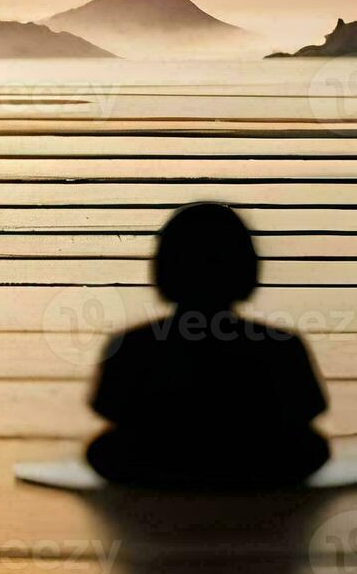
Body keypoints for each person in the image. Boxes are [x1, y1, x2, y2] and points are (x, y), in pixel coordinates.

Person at [86, 202, 330, 487]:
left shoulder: (133, 344)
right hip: (258, 459)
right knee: (310, 446)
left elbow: (110, 409)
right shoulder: (280, 344)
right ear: (247, 269)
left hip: (157, 458)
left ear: (164, 270)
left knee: (106, 448)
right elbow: (308, 409)